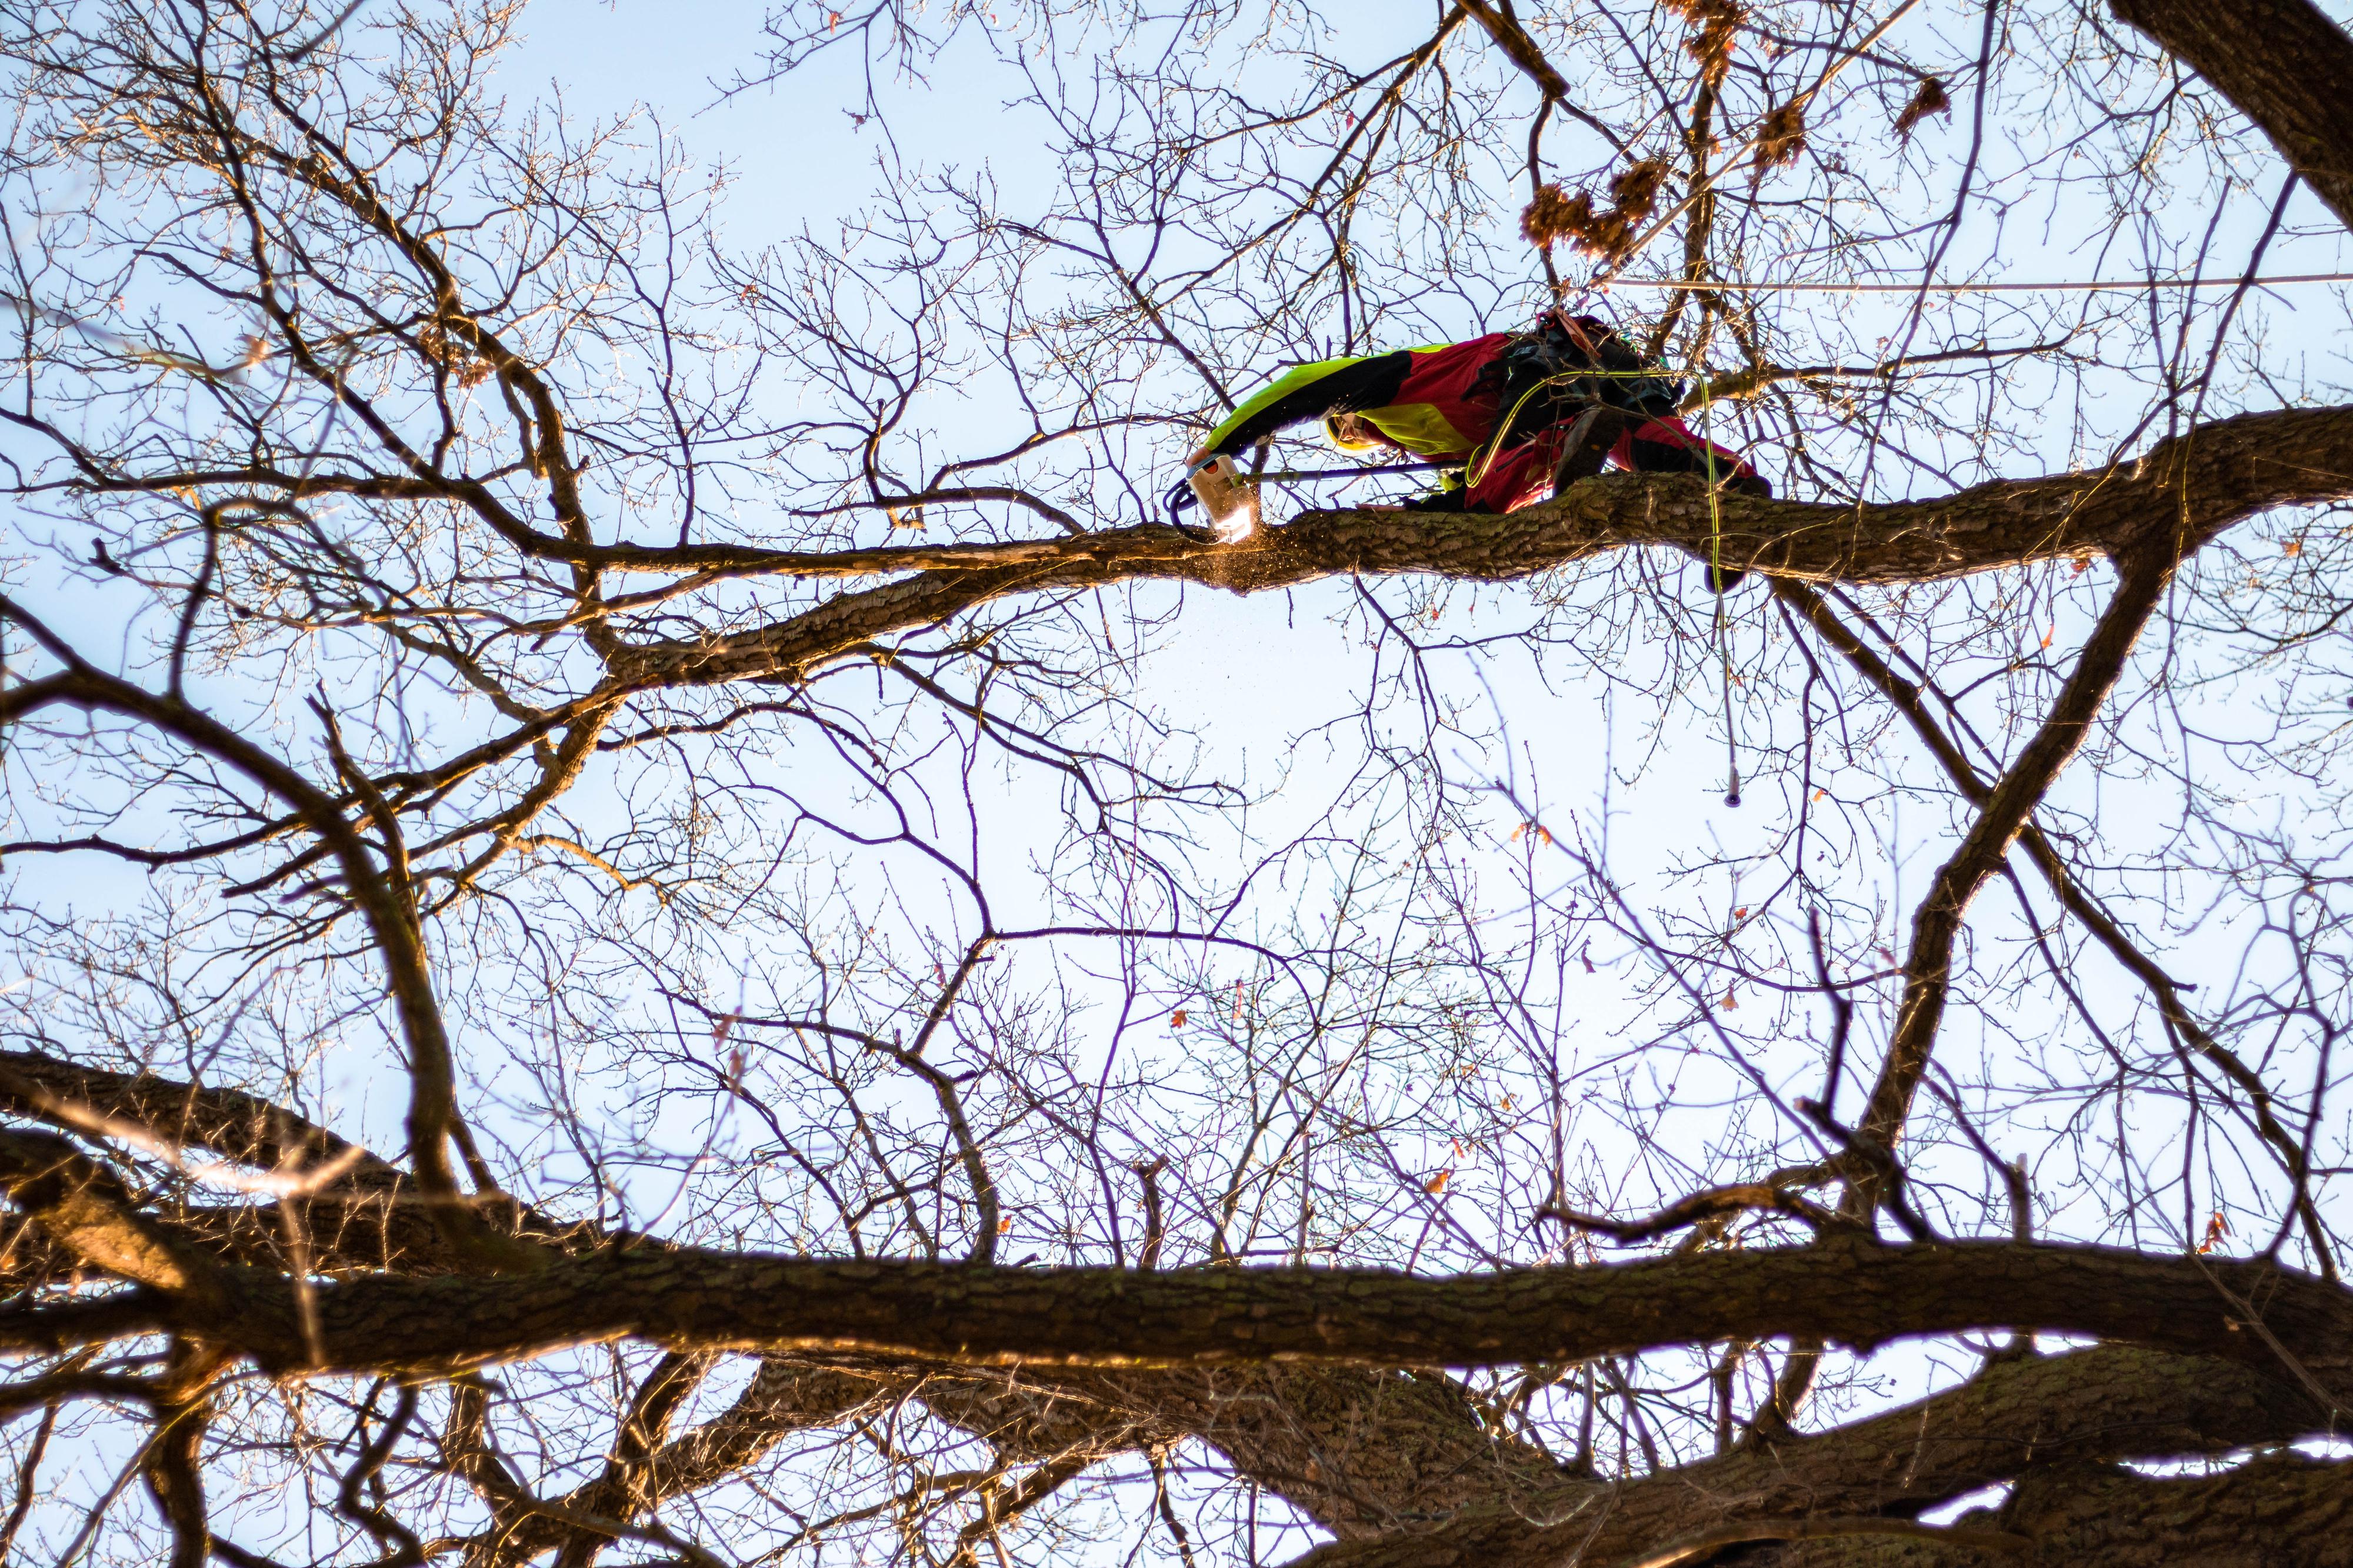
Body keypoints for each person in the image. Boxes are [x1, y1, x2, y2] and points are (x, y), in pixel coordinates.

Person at [1182, 311, 1768, 519]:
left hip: (1536, 374)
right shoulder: (1438, 450)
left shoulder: (1398, 376)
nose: (1353, 428)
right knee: (1643, 445)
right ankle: (1736, 496)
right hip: (1590, 378)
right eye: (1350, 436)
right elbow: (1455, 498)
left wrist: (1223, 445)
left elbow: (1302, 388)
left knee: (1486, 502)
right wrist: (1409, 512)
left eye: (1345, 421)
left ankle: (1574, 434)